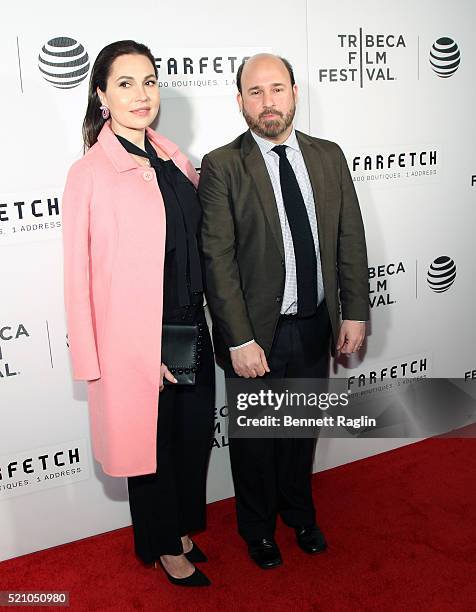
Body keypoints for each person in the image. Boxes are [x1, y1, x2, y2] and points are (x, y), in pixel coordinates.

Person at [199, 53, 369, 570]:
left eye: (276, 89)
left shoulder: (328, 156)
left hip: (315, 324)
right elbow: (217, 258)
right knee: (254, 443)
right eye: (255, 92)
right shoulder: (223, 165)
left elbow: (349, 238)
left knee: (300, 433)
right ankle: (257, 529)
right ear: (240, 101)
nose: (267, 102)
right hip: (255, 336)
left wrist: (355, 313)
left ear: (295, 91)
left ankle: (299, 513)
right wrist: (238, 338)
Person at [62, 40, 214, 587]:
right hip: (136, 338)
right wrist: (98, 358)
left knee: (191, 436)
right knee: (150, 446)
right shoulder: (90, 173)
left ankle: (179, 529)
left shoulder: (176, 159)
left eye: (149, 80)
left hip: (191, 323)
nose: (141, 93)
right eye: (125, 83)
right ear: (102, 94)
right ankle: (158, 544)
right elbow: (77, 276)